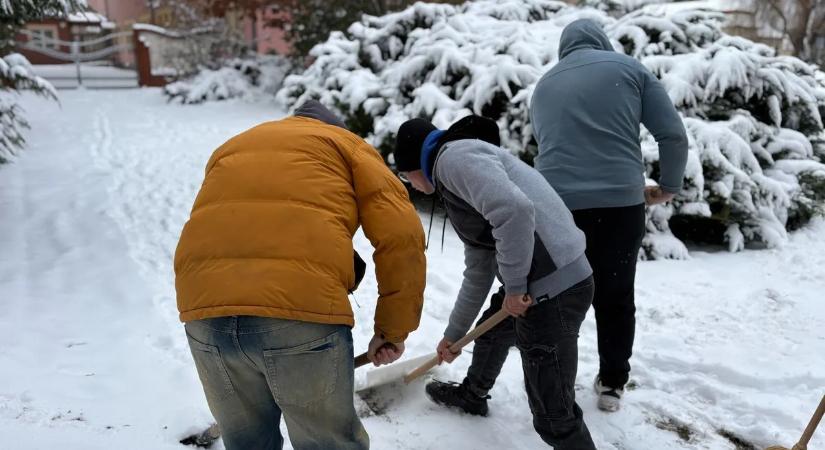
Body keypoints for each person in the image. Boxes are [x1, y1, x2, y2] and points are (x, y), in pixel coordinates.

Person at [174, 100, 427, 450]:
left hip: (204, 312)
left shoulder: (234, 146)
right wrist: (392, 331)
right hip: (298, 315)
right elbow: (402, 239)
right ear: (335, 127)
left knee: (247, 443)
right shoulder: (348, 146)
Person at [394, 115, 596, 449]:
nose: (410, 184)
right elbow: (478, 268)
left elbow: (515, 210)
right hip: (542, 282)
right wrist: (454, 335)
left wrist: (515, 288)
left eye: (405, 176)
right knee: (489, 334)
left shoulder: (453, 159)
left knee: (553, 415)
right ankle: (472, 395)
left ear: (416, 161)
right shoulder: (457, 168)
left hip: (552, 291)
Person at [530, 19, 689, 411]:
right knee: (615, 294)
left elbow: (548, 144)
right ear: (602, 43)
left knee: (559, 293)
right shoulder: (628, 69)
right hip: (620, 203)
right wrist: (668, 186)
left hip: (558, 207)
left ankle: (554, 380)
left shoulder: (544, 85)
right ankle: (613, 383)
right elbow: (672, 135)